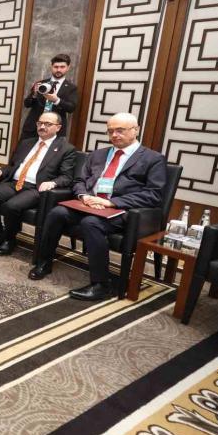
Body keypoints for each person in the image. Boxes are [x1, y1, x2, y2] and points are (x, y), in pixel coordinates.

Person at [29, 113, 166, 301]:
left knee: (91, 223)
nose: (114, 135)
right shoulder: (98, 154)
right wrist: (84, 196)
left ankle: (101, 284)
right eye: (110, 131)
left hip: (121, 210)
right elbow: (79, 180)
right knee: (57, 213)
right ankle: (44, 263)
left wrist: (112, 202)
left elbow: (154, 194)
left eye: (120, 130)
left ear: (136, 130)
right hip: (88, 204)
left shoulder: (153, 159)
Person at [0, 112, 76, 256]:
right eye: (40, 123)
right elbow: (13, 165)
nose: (42, 127)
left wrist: (53, 183)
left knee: (11, 206)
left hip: (35, 188)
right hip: (15, 182)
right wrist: (2, 171)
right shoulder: (27, 142)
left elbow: (67, 177)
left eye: (48, 124)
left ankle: (10, 240)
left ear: (58, 127)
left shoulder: (66, 149)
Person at [21, 54, 79, 138]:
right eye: (56, 67)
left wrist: (56, 100)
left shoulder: (71, 88)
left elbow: (71, 108)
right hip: (33, 127)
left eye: (62, 67)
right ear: (51, 67)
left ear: (68, 67)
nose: (58, 70)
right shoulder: (41, 83)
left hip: (54, 130)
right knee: (25, 147)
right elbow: (27, 104)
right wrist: (34, 94)